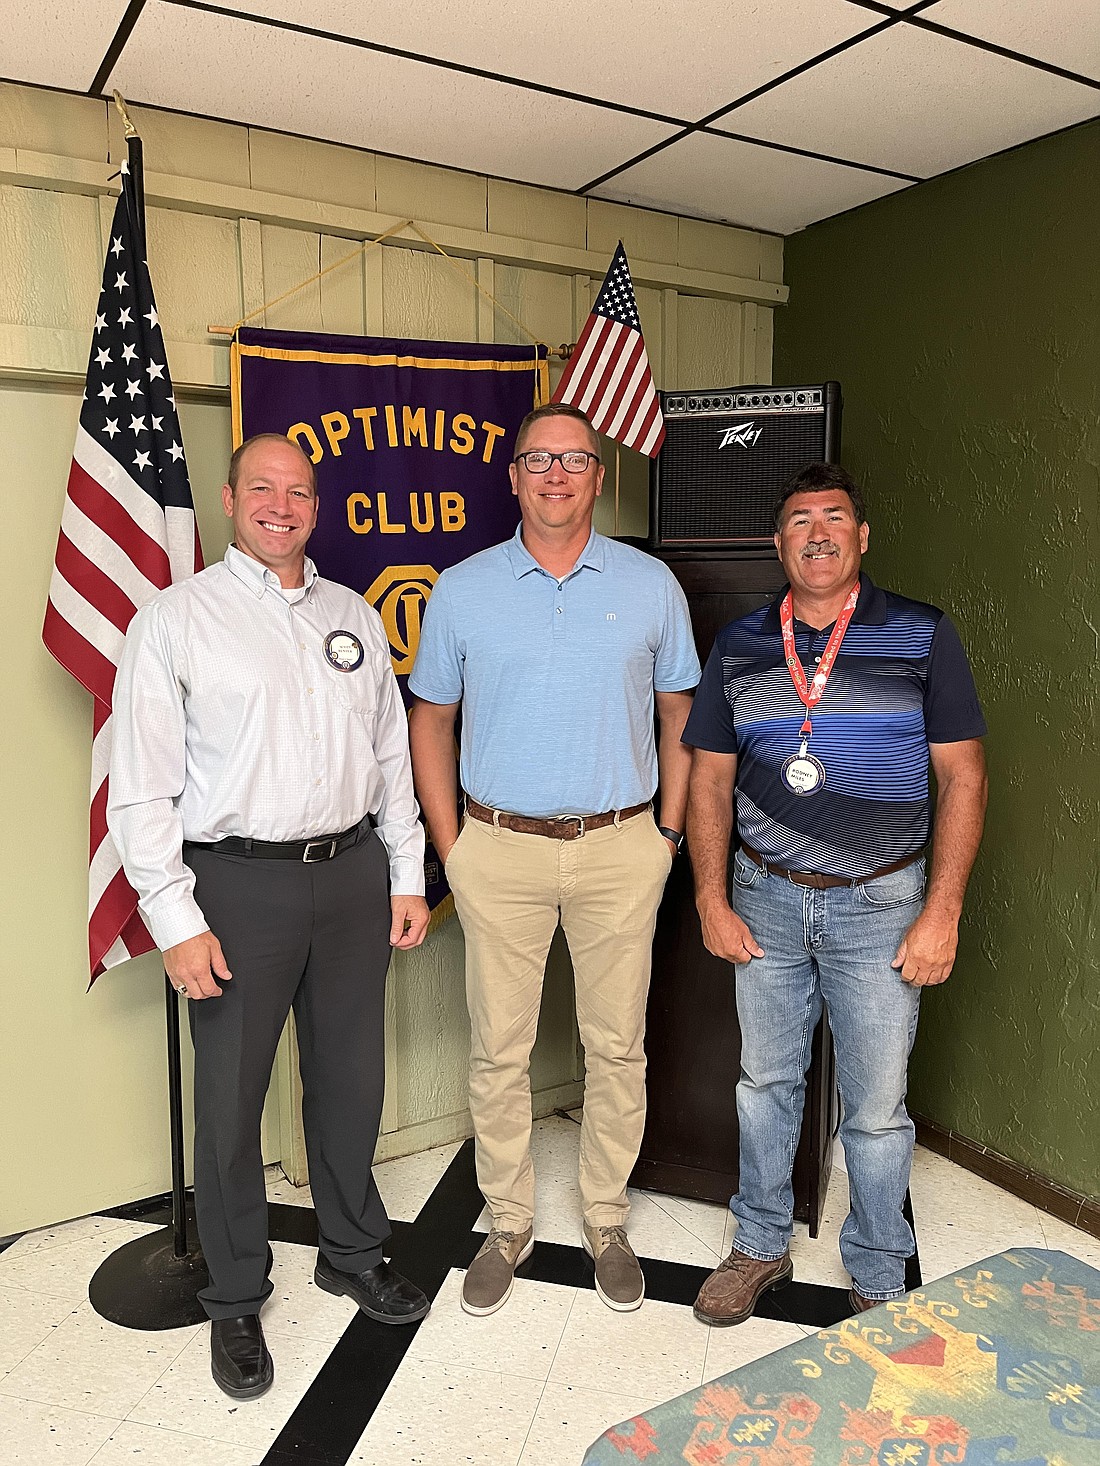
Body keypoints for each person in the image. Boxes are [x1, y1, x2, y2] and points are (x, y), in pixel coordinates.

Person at [108, 434, 432, 1400]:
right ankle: (236, 1294)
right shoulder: (177, 621)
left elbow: (389, 759)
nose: (281, 506)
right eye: (263, 488)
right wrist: (175, 919)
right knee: (232, 1105)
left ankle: (352, 1249)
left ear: (316, 505)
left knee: (349, 1077)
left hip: (350, 876)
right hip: (234, 888)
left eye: (298, 491)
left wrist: (406, 875)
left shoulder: (353, 617)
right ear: (230, 497)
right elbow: (140, 791)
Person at [408, 403, 700, 1316]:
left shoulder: (651, 585)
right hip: (501, 849)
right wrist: (454, 848)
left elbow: (680, 715)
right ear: (514, 477)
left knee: (618, 1046)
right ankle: (506, 1220)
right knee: (500, 1050)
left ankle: (606, 1216)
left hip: (622, 847)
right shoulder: (463, 589)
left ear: (598, 475)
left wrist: (669, 835)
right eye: (538, 460)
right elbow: (431, 720)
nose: (556, 475)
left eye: (575, 459)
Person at [683, 461, 987, 1324]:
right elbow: (708, 780)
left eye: (835, 517)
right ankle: (758, 1244)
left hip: (883, 904)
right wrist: (712, 897)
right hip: (766, 895)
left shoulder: (921, 634)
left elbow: (963, 779)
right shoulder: (742, 643)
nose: (817, 533)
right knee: (763, 1084)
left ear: (861, 537)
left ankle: (881, 1269)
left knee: (879, 1107)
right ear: (779, 544)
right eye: (800, 521)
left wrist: (943, 910)